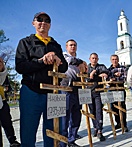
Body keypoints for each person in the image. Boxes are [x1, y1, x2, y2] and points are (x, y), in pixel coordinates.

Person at [15, 12, 68, 147]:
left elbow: (64, 68)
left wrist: (58, 60)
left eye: (47, 20)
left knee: (53, 132)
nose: (43, 22)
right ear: (33, 23)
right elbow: (20, 67)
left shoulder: (55, 45)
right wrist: (42, 61)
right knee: (28, 131)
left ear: (50, 25)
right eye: (39, 19)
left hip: (53, 94)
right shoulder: (25, 42)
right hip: (31, 91)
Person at [60, 39, 87, 147]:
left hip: (77, 90)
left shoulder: (79, 61)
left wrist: (84, 67)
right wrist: (81, 62)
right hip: (66, 89)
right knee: (64, 118)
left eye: (75, 45)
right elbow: (70, 60)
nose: (73, 47)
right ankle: (62, 142)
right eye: (70, 45)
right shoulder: (64, 56)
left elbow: (85, 71)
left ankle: (71, 140)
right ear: (66, 47)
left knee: (76, 117)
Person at [87, 53, 109, 141]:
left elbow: (106, 73)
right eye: (93, 58)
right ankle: (95, 128)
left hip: (99, 92)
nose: (94, 60)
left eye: (96, 58)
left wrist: (95, 75)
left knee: (99, 110)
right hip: (89, 92)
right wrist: (94, 75)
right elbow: (87, 78)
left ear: (98, 59)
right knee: (92, 111)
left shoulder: (101, 66)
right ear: (90, 59)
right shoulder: (86, 67)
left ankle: (100, 130)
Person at [0, 57, 21, 147]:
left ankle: (12, 141)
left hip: (2, 101)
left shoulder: (3, 74)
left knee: (7, 123)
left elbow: (5, 83)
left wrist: (2, 69)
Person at [108, 54, 128, 132]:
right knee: (113, 107)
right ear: (111, 60)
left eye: (116, 59)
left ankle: (124, 124)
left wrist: (118, 77)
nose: (114, 61)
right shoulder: (108, 69)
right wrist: (111, 79)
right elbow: (108, 78)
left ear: (118, 60)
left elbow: (125, 78)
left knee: (122, 107)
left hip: (120, 88)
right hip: (112, 89)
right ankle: (118, 122)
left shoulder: (123, 68)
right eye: (113, 59)